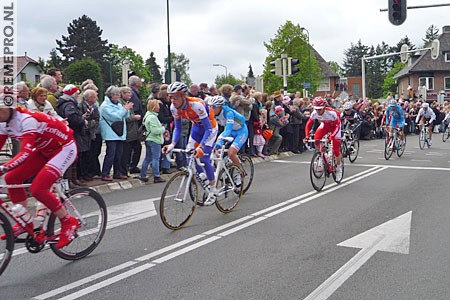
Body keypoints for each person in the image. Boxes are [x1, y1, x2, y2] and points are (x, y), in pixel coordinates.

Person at [0, 96, 79, 249]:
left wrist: (4, 167)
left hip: (64, 148)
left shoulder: (27, 119)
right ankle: (25, 222)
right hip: (44, 150)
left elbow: (25, 152)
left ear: (9, 108)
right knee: (11, 178)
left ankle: (68, 221)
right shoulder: (4, 123)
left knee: (38, 188)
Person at [162, 82, 218, 206]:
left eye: (175, 97)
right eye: (171, 97)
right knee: (189, 155)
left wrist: (202, 146)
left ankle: (213, 189)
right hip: (196, 129)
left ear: (183, 96)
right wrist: (172, 144)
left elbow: (208, 129)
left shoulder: (196, 105)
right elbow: (177, 128)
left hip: (210, 129)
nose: (173, 100)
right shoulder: (173, 108)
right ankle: (204, 177)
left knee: (203, 156)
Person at [99, 86, 134, 181]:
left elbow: (125, 116)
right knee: (111, 154)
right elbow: (116, 117)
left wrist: (126, 109)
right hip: (110, 134)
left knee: (119, 154)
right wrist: (124, 109)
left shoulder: (117, 104)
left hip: (119, 133)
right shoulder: (105, 106)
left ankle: (117, 172)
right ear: (112, 95)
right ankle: (105, 173)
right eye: (117, 95)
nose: (119, 97)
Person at [303, 97, 343, 180]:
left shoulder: (332, 113)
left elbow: (337, 126)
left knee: (336, 149)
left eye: (320, 109)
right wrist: (307, 136)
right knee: (316, 139)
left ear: (324, 107)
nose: (318, 111)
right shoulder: (314, 113)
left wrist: (331, 137)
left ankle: (339, 168)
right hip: (325, 126)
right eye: (316, 109)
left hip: (335, 128)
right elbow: (308, 125)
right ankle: (321, 156)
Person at [206, 96, 248, 173]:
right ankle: (223, 168)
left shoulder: (229, 113)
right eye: (210, 107)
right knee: (214, 150)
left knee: (231, 153)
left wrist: (219, 142)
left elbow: (228, 129)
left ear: (220, 107)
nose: (211, 109)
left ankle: (239, 173)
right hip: (230, 131)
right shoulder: (212, 114)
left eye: (213, 107)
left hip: (241, 131)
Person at [140, 100, 166, 183]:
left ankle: (143, 175)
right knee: (155, 158)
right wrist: (163, 129)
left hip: (148, 138)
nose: (159, 108)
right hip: (154, 140)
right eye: (158, 106)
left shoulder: (147, 116)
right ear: (154, 107)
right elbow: (155, 130)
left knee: (147, 158)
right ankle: (156, 176)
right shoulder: (153, 117)